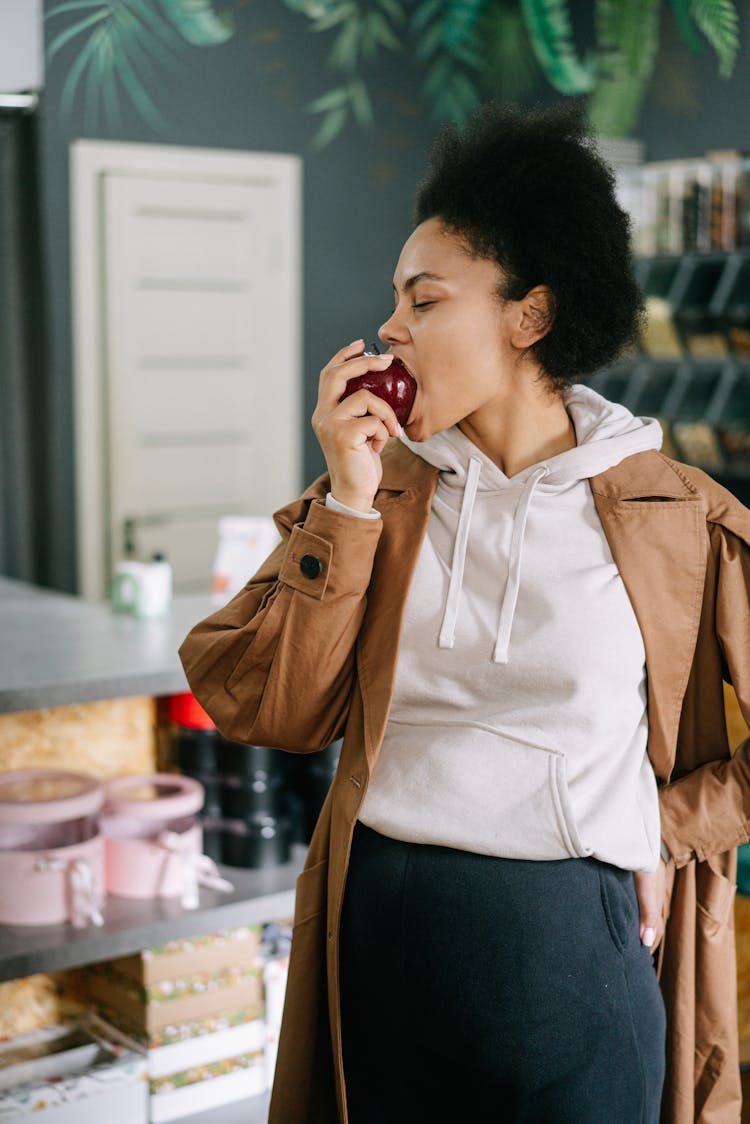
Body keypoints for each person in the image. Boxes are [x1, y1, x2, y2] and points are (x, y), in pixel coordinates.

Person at [179, 102, 750, 1124]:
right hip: (383, 926)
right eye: (397, 298)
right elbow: (274, 706)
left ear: (529, 316)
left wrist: (659, 827)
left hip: (575, 938)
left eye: (424, 299)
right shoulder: (376, 495)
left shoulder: (670, 510)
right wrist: (345, 500)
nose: (391, 325)